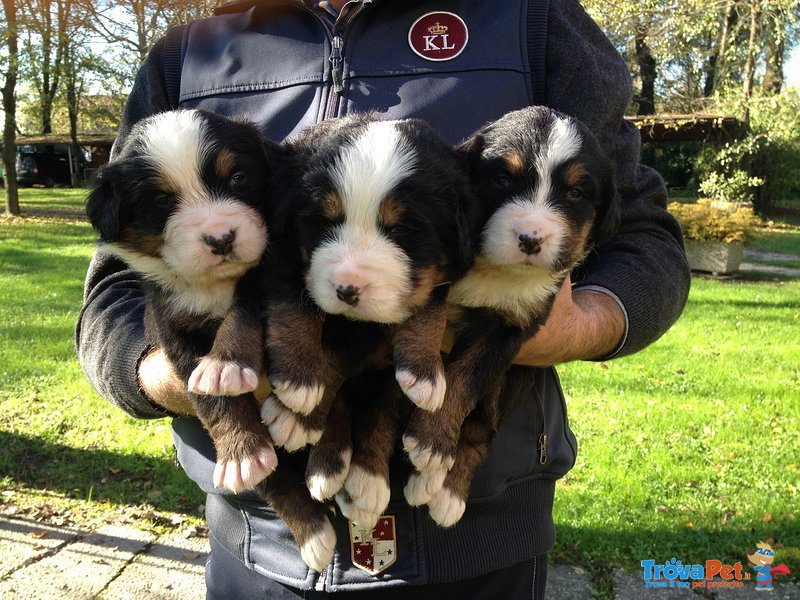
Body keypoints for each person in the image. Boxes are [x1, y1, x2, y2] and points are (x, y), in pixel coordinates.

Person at [76, 1, 691, 598]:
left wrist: (573, 323)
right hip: (256, 527)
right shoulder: (187, 51)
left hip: (481, 524)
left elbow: (639, 232)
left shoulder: (535, 17)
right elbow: (116, 278)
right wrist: (172, 375)